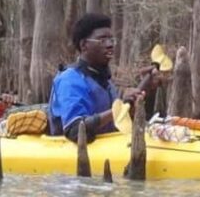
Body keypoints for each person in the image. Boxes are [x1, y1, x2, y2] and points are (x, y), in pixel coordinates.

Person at [48, 13, 155, 143]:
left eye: (112, 40)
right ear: (84, 45)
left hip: (105, 150)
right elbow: (75, 131)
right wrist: (118, 109)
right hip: (71, 152)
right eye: (102, 40)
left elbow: (116, 123)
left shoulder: (106, 82)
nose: (110, 45)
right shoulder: (69, 80)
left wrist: (132, 106)